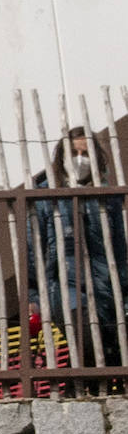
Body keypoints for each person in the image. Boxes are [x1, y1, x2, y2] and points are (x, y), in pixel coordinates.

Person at [27, 127, 128, 383]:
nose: (80, 159)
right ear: (62, 155)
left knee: (107, 348)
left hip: (104, 286)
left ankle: (86, 394)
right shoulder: (43, 196)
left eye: (85, 153)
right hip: (62, 286)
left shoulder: (108, 196)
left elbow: (119, 250)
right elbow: (32, 250)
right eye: (74, 152)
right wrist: (33, 296)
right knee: (84, 333)